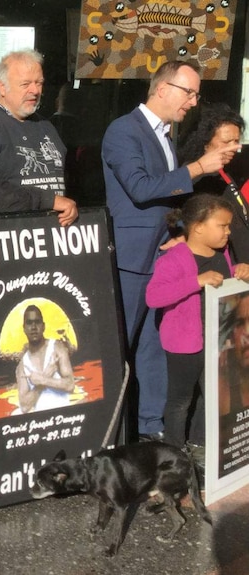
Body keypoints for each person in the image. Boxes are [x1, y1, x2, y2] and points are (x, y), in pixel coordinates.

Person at [102, 59, 241, 442]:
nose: (193, 102)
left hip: (163, 256)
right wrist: (198, 167)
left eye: (196, 94)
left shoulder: (165, 134)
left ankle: (153, 431)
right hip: (131, 260)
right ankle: (110, 438)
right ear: (163, 89)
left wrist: (179, 230)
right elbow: (141, 187)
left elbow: (164, 198)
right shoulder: (123, 131)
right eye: (189, 92)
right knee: (121, 350)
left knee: (153, 349)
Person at [146, 195, 249, 477]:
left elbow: (227, 287)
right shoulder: (175, 258)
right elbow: (153, 296)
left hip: (216, 339)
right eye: (223, 225)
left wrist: (240, 273)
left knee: (210, 395)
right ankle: (172, 456)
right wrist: (195, 281)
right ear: (199, 227)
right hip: (184, 343)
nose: (229, 231)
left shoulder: (223, 253)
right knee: (180, 400)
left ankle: (200, 445)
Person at [0, 49, 78, 227]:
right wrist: (47, 200)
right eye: (25, 84)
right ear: (2, 87)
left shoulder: (46, 126)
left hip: (50, 240)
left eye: (39, 83)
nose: (34, 91)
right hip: (3, 242)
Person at [178, 103, 249, 261]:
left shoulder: (223, 172)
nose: (233, 147)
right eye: (226, 141)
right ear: (205, 142)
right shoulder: (197, 178)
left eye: (236, 141)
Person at [15, 305, 75, 414]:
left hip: (65, 417)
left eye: (37, 322)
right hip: (41, 422)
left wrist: (42, 380)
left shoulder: (57, 348)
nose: (33, 327)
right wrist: (46, 376)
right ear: (24, 328)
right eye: (29, 323)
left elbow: (70, 385)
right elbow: (24, 407)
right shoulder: (22, 366)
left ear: (43, 326)